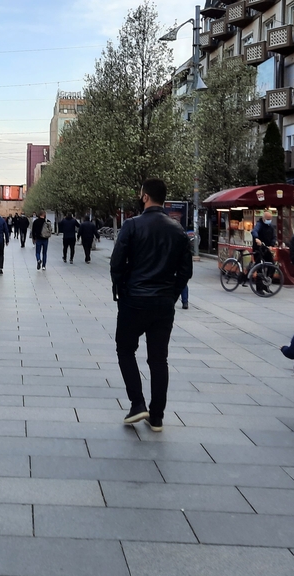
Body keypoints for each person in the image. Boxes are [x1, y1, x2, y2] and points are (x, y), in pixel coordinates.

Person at [109, 178, 193, 429]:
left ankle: (137, 404)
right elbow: (185, 271)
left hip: (134, 301)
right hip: (163, 305)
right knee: (158, 359)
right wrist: (172, 295)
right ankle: (157, 416)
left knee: (125, 350)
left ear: (145, 196)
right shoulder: (177, 229)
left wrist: (121, 291)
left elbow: (116, 263)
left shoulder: (132, 225)